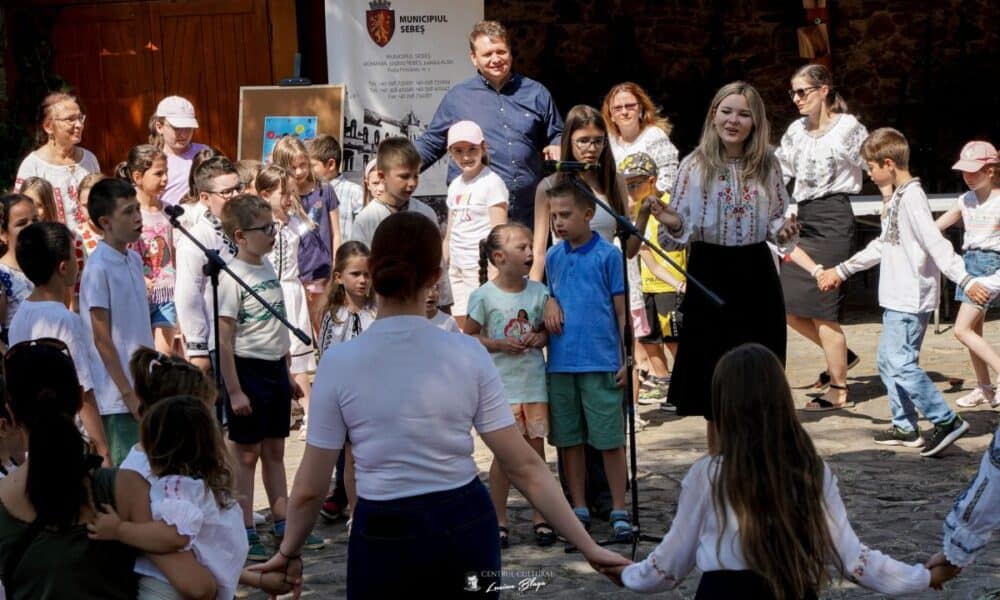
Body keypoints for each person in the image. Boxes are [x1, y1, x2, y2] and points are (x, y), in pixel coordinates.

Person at [249, 211, 629, 598]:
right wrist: (589, 547)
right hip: (463, 523)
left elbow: (311, 488)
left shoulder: (339, 363)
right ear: (435, 276)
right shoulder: (467, 353)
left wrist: (289, 551)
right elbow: (526, 465)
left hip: (383, 529)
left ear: (374, 271)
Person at [609, 343, 954, 597]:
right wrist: (922, 576)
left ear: (723, 407)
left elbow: (670, 563)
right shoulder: (810, 470)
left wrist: (627, 574)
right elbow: (854, 559)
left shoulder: (708, 475)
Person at [0, 339, 218, 600]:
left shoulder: (3, 501)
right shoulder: (125, 487)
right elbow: (198, 586)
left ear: (12, 414)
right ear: (81, 398)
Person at [818, 127, 987, 457]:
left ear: (888, 163)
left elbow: (935, 243)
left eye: (871, 167)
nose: (869, 173)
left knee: (901, 362)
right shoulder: (898, 197)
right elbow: (884, 244)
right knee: (887, 360)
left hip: (911, 297)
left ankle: (945, 421)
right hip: (896, 296)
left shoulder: (912, 198)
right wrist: (841, 270)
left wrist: (965, 280)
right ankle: (905, 426)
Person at [647, 82, 799, 444]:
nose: (734, 120)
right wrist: (670, 221)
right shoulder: (694, 165)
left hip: (755, 273)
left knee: (758, 373)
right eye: (727, 111)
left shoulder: (768, 164)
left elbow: (776, 219)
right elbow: (680, 225)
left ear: (755, 123)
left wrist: (785, 229)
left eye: (744, 114)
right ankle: (717, 466)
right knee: (714, 377)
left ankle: (757, 463)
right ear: (713, 114)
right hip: (710, 272)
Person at [216, 194, 323, 561]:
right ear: (240, 235)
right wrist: (234, 391)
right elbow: (225, 340)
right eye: (265, 229)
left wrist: (289, 370)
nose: (272, 234)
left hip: (275, 369)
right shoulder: (231, 277)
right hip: (247, 371)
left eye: (273, 227)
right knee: (246, 456)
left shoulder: (265, 267)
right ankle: (244, 528)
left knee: (276, 450)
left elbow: (275, 324)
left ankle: (283, 521)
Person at [87, 396, 247, 599]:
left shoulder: (176, 488)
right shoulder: (209, 487)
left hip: (167, 586)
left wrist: (119, 530)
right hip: (215, 579)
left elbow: (174, 535)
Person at [776, 64, 869, 410]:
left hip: (833, 217)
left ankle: (839, 388)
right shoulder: (795, 131)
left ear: (824, 90)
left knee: (823, 310)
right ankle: (841, 356)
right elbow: (780, 171)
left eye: (803, 91)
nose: (797, 99)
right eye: (794, 93)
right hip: (804, 217)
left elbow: (871, 162)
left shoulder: (848, 128)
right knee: (787, 305)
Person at [543, 180, 631, 542]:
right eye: (553, 217)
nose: (559, 223)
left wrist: (628, 357)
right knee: (569, 439)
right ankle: (577, 506)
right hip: (562, 363)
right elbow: (551, 296)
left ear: (589, 214)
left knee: (609, 438)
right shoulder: (552, 256)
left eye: (566, 215)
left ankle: (619, 507)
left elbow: (621, 313)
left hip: (601, 361)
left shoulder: (609, 255)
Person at [414, 20, 562, 227]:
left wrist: (557, 143)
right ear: (474, 58)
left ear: (510, 52)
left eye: (501, 52)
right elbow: (431, 143)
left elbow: (557, 132)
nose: (496, 59)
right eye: (487, 54)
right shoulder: (458, 98)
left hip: (526, 212)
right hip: (476, 214)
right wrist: (395, 164)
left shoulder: (536, 93)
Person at [464, 222, 554, 547]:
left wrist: (539, 336)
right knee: (504, 457)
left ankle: (542, 516)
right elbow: (470, 335)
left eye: (531, 246)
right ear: (500, 257)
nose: (530, 253)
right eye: (522, 248)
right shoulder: (483, 296)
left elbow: (546, 330)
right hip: (500, 389)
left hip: (532, 385)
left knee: (536, 452)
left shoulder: (538, 291)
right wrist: (498, 345)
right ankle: (498, 518)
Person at [9, 221, 110, 465]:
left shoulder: (20, 316)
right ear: (63, 268)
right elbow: (83, 391)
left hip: (38, 440)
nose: (79, 262)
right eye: (75, 256)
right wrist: (102, 449)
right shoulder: (66, 321)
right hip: (73, 440)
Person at [80, 178, 154, 466]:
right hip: (118, 395)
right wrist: (127, 392)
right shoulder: (97, 268)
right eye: (127, 212)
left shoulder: (134, 259)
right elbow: (101, 338)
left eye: (137, 209)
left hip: (142, 384)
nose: (137, 217)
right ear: (105, 221)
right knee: (127, 474)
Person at [530, 104, 630, 281]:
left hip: (606, 284)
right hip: (567, 283)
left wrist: (644, 214)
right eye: (583, 141)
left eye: (598, 141)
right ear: (569, 140)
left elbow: (630, 249)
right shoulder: (548, 186)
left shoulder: (615, 182)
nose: (591, 148)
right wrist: (530, 299)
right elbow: (539, 255)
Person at [934, 141, 1000, 409]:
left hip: (991, 267)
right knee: (974, 331)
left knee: (961, 329)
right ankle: (985, 388)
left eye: (974, 171)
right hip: (969, 265)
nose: (968, 177)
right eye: (964, 171)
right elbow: (935, 227)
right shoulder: (965, 200)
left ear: (991, 171)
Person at [618, 153, 685, 409]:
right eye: (626, 185)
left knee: (675, 340)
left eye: (635, 184)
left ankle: (686, 386)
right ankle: (665, 384)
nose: (631, 190)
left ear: (652, 180)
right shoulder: (630, 212)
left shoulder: (668, 205)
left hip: (671, 284)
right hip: (644, 286)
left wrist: (681, 283)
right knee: (650, 340)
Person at [315, 241, 375, 524]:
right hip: (348, 396)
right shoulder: (334, 316)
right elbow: (327, 357)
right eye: (356, 274)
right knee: (350, 456)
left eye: (367, 274)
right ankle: (354, 505)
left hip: (375, 393)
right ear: (339, 276)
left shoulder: (377, 312)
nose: (363, 280)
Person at [257, 165, 318, 434]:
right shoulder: (257, 224)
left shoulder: (295, 223)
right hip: (267, 292)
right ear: (264, 194)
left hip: (291, 291)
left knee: (298, 355)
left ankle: (311, 413)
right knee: (273, 353)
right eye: (283, 193)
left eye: (290, 193)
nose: (288, 199)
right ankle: (281, 409)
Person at [174, 156, 240, 372]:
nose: (236, 196)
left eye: (238, 188)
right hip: (217, 344)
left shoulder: (247, 229)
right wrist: (197, 349)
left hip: (250, 341)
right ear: (205, 197)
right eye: (227, 192)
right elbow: (188, 295)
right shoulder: (197, 239)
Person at [444, 120, 509, 329]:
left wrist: (494, 269)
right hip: (456, 267)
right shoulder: (455, 184)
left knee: (481, 324)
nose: (465, 157)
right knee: (459, 323)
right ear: (450, 153)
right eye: (458, 151)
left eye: (472, 149)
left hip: (479, 267)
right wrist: (443, 263)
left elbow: (499, 233)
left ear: (483, 147)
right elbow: (450, 231)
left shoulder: (492, 183)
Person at [271, 135, 339, 324]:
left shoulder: (324, 189)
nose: (299, 171)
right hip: (295, 276)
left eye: (303, 165)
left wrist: (335, 268)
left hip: (322, 273)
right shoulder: (282, 198)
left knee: (322, 321)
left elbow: (336, 234)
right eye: (293, 168)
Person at [118, 144, 177, 356]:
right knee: (140, 356)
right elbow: (122, 251)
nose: (165, 179)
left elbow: (174, 250)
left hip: (166, 293)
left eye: (166, 172)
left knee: (163, 356)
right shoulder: (128, 211)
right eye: (158, 173)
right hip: (138, 295)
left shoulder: (169, 211)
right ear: (138, 176)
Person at [15, 91, 99, 231]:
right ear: (48, 126)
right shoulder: (33, 166)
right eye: (70, 119)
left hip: (90, 245)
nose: (79, 125)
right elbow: (23, 214)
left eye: (80, 118)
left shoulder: (89, 159)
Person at [350, 138, 440, 248]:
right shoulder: (366, 219)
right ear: (382, 176)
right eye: (404, 176)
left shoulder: (426, 214)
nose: (412, 183)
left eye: (416, 176)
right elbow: (360, 261)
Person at [603, 82, 680, 195]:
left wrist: (643, 202)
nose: (624, 112)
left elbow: (669, 178)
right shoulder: (607, 142)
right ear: (611, 115)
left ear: (640, 109)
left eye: (630, 106)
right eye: (618, 108)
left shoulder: (654, 135)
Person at [151, 95, 209, 207]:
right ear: (159, 127)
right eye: (176, 128)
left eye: (188, 127)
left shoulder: (205, 153)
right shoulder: (150, 160)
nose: (184, 134)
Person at [307, 134, 364, 241]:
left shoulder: (354, 192)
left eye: (312, 166)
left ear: (331, 165)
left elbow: (363, 233)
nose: (307, 171)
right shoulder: (309, 191)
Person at [0, 194, 39, 346]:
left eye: (35, 220)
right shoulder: (3, 275)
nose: (32, 227)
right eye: (22, 223)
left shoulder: (48, 266)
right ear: (3, 234)